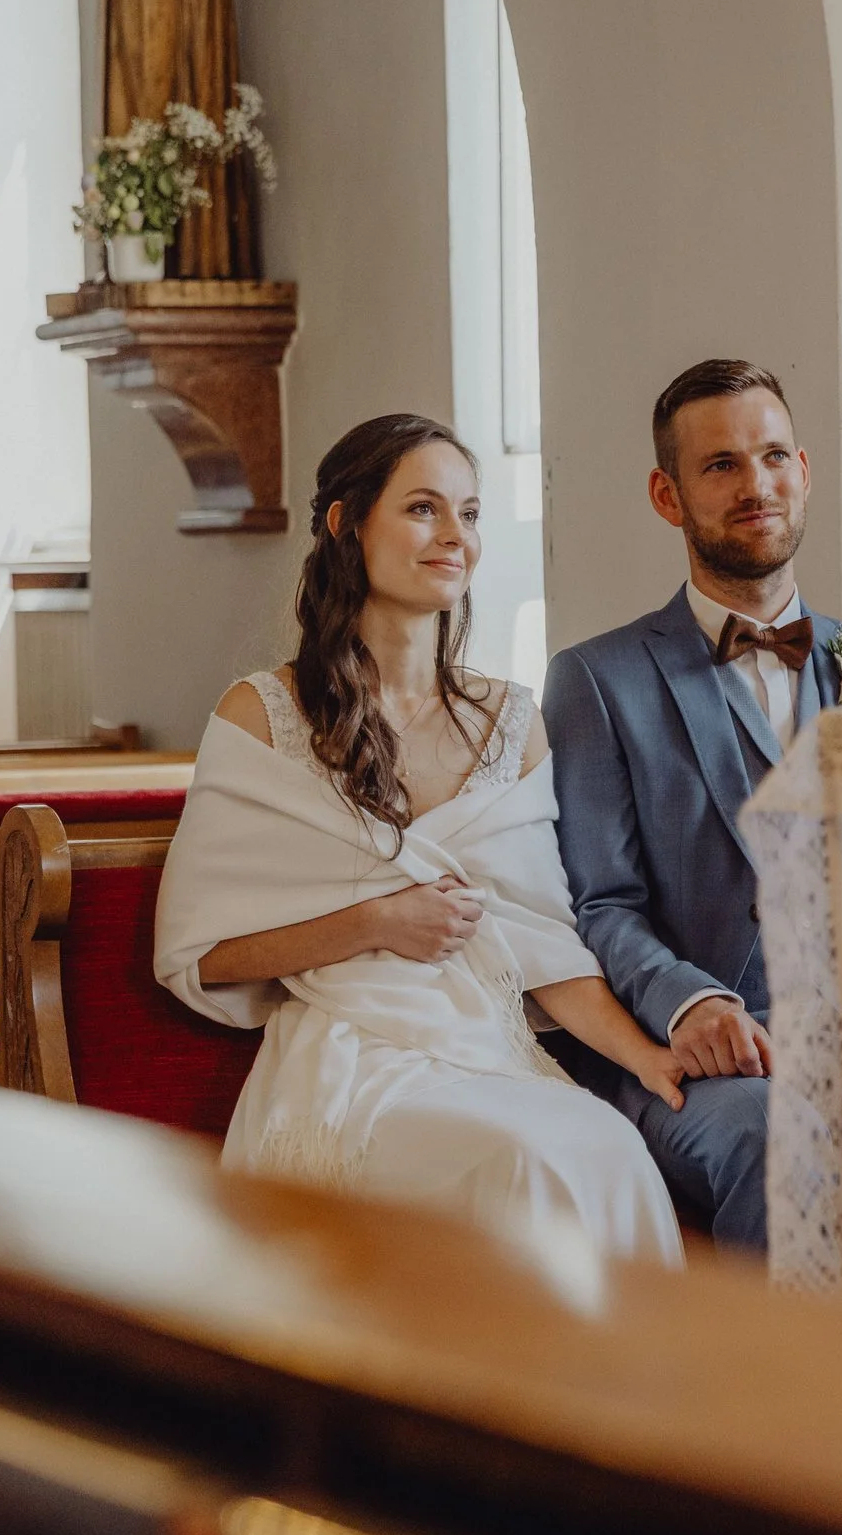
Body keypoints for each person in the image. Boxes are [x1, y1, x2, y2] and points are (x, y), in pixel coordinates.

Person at [153, 413, 684, 1266]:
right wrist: (374, 922)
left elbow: (541, 940)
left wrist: (648, 1058)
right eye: (424, 509)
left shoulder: (512, 720)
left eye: (470, 514)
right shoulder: (262, 715)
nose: (456, 537)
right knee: (522, 1161)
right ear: (345, 523)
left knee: (610, 1146)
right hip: (349, 1056)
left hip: (487, 1048)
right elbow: (199, 953)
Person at [544, 359, 842, 1253]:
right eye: (720, 465)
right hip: (698, 1058)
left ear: (802, 469)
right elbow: (599, 903)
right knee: (774, 1138)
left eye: (770, 458)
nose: (754, 485)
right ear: (667, 493)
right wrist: (692, 1006)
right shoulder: (595, 682)